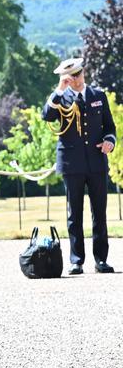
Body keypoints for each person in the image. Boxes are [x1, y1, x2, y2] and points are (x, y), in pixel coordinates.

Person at [42, 57, 116, 274]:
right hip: (71, 164)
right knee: (74, 214)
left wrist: (110, 141)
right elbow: (47, 116)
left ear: (83, 73)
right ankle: (77, 261)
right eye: (70, 76)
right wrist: (59, 89)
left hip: (96, 162)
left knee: (99, 212)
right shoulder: (60, 98)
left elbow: (109, 127)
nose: (75, 79)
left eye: (78, 74)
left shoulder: (98, 96)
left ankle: (101, 259)